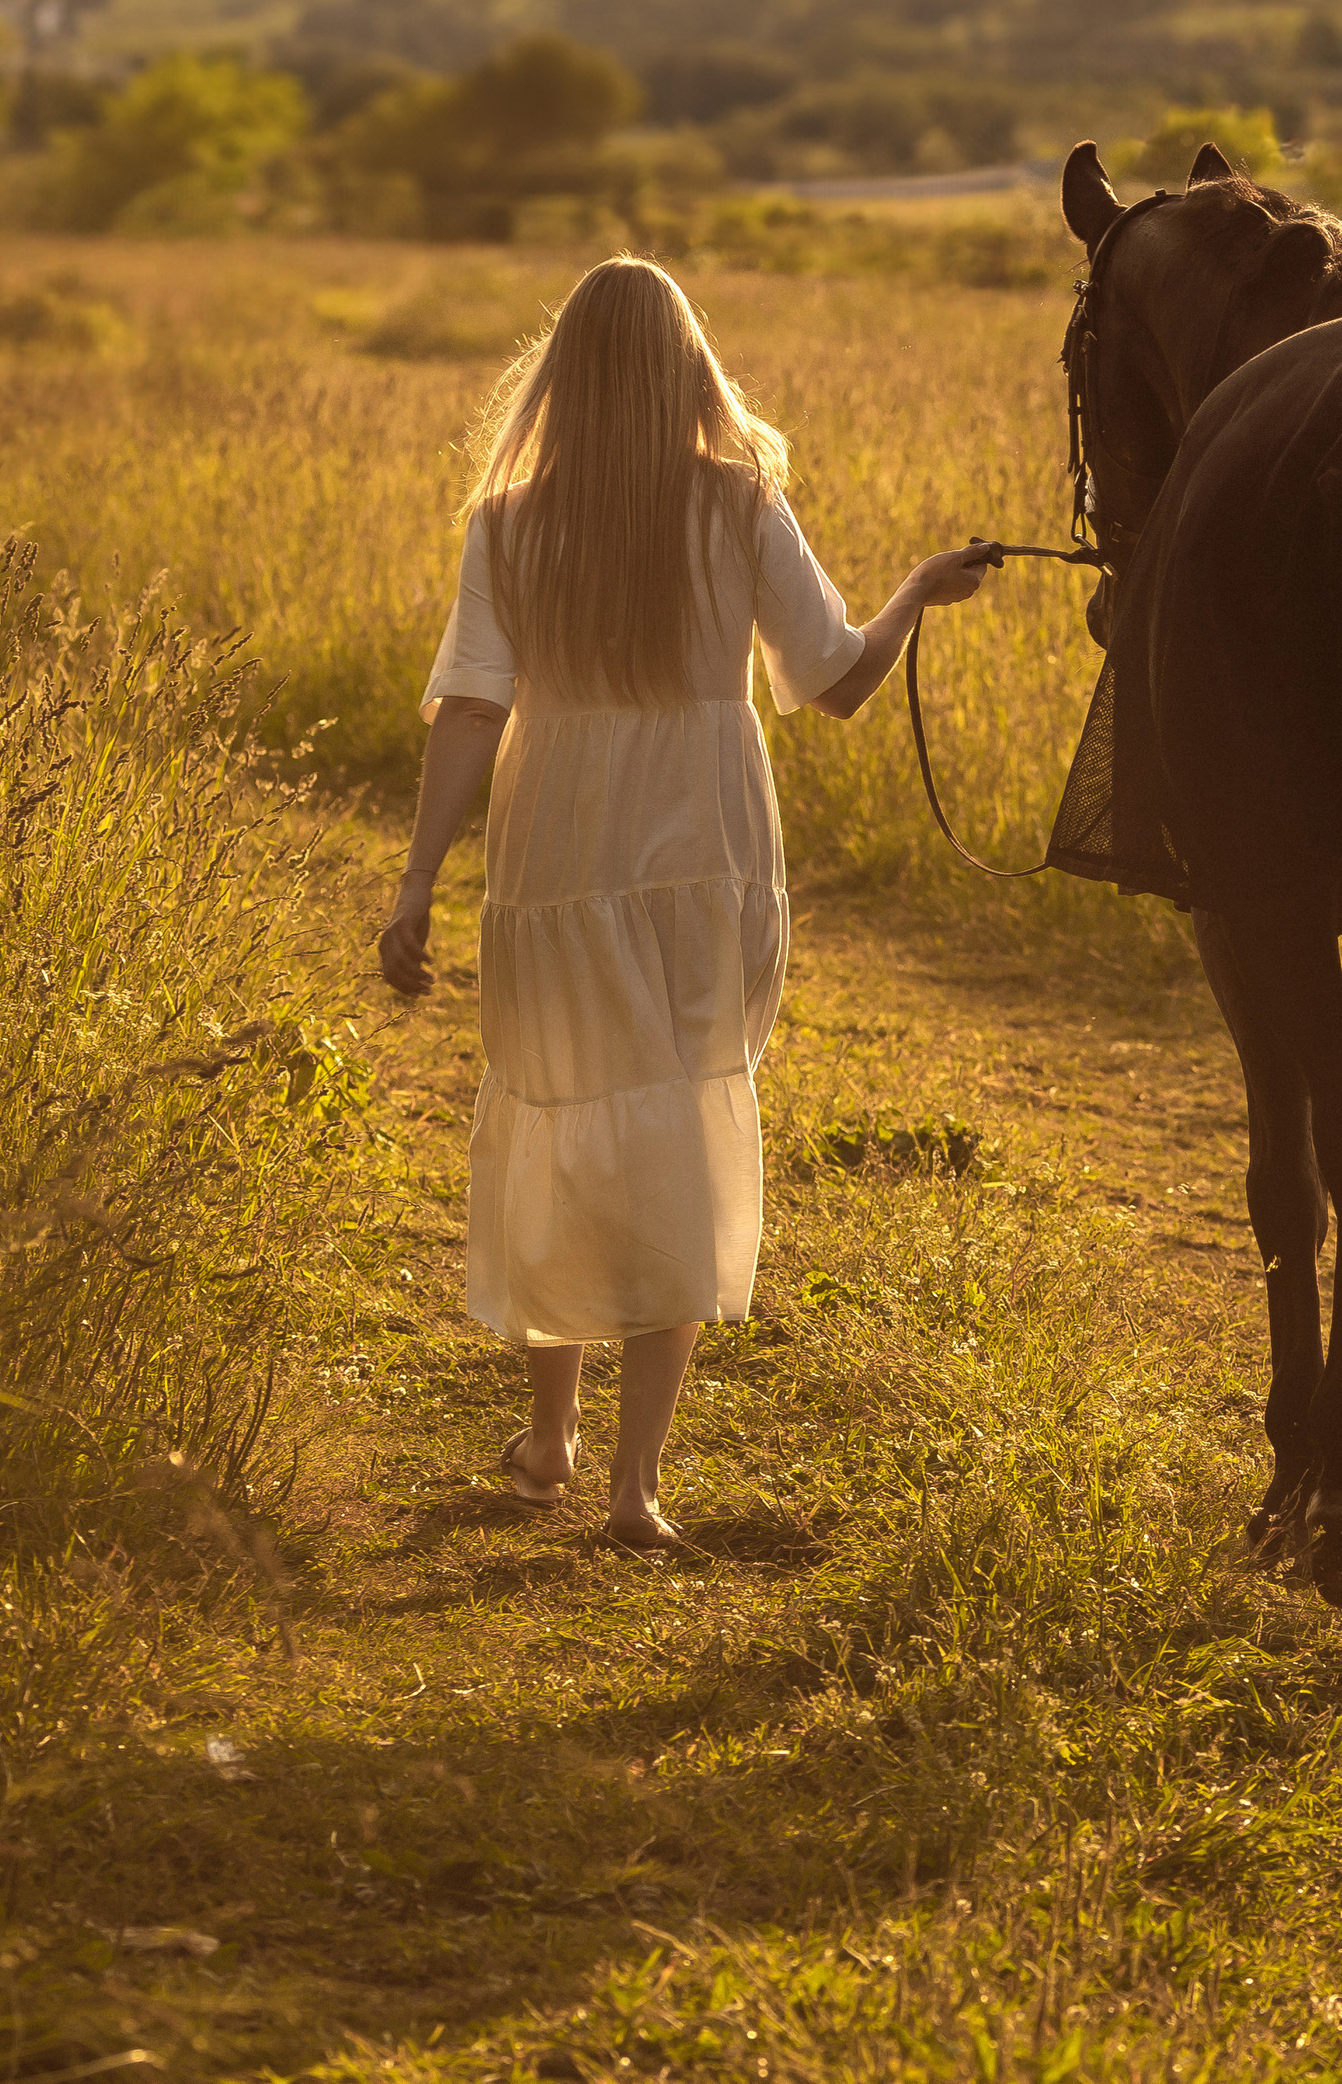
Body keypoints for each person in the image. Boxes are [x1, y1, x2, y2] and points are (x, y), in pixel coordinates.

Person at [377, 255, 997, 1551]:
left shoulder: (510, 522)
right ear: (688, 365)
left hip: (558, 853)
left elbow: (473, 711)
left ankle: (550, 1438)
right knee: (680, 1119)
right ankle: (633, 1486)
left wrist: (421, 880)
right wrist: (917, 593)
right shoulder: (739, 506)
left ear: (564, 376)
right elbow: (832, 681)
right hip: (709, 847)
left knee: (562, 1110)